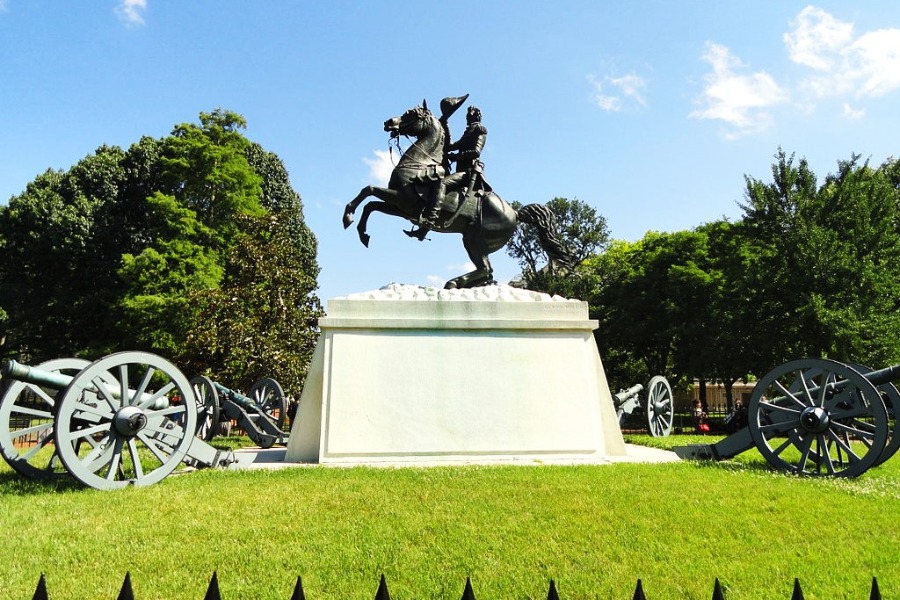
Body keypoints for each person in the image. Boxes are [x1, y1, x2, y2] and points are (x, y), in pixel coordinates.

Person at [409, 105, 488, 237]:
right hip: (461, 171)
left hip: (469, 173)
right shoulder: (468, 131)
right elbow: (451, 146)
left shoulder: (480, 130)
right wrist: (445, 123)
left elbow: (475, 152)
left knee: (442, 184)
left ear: (476, 116)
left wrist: (456, 157)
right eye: (467, 115)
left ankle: (430, 221)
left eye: (470, 114)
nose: (467, 117)